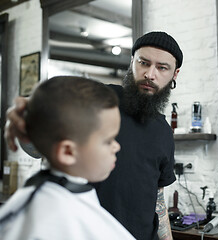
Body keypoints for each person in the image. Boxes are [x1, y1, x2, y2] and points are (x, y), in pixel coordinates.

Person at [5, 31, 182, 240]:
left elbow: (158, 200)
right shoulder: (98, 103)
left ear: (174, 74)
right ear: (132, 61)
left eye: (162, 68)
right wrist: (30, 115)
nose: (150, 74)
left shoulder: (163, 132)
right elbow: (41, 136)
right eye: (144, 63)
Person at [0, 76, 134, 240]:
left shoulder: (58, 205)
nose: (117, 147)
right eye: (108, 141)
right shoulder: (51, 221)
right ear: (67, 152)